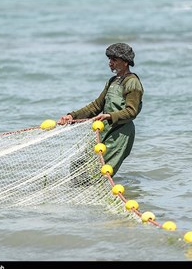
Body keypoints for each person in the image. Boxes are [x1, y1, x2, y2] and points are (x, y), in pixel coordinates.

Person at [58, 43, 144, 177]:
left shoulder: (132, 82)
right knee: (79, 164)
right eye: (109, 59)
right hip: (105, 130)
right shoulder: (113, 81)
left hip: (120, 134)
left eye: (114, 60)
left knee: (97, 173)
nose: (110, 63)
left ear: (126, 62)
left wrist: (110, 116)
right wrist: (72, 116)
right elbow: (96, 106)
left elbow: (132, 112)